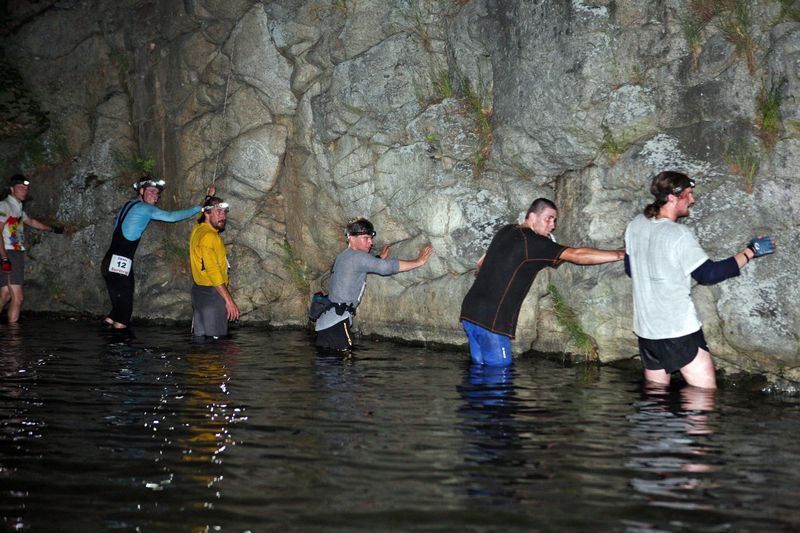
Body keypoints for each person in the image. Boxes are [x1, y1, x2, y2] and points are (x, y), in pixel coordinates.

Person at [624, 171, 775, 390]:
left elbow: (631, 269)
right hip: (677, 331)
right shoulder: (678, 234)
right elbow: (708, 274)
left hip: (647, 330)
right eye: (689, 194)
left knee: (655, 402)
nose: (693, 200)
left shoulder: (635, 225)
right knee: (703, 398)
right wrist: (750, 251)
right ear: (673, 198)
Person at [460, 197, 624, 367]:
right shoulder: (532, 242)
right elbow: (577, 255)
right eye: (548, 219)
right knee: (499, 377)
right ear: (532, 217)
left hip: (470, 313)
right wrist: (620, 254)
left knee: (479, 372)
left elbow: (481, 263)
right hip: (491, 323)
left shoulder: (507, 230)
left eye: (554, 220)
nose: (552, 225)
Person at [101, 176, 214, 329]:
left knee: (116, 311)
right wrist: (199, 208)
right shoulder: (145, 208)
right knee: (124, 312)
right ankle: (120, 349)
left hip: (109, 263)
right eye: (152, 191)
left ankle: (107, 343)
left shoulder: (129, 205)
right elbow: (172, 217)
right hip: (120, 265)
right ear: (141, 191)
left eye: (158, 194)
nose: (156, 196)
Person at [314, 217, 433, 351]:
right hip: (337, 323)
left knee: (329, 365)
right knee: (346, 364)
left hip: (325, 323)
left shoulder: (343, 256)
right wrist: (418, 261)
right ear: (351, 238)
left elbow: (360, 267)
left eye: (371, 238)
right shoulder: (358, 256)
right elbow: (385, 268)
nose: (370, 242)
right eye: (366, 238)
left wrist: (378, 258)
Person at [0, 174, 68, 323]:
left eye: (26, 188)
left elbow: (31, 221)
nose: (24, 190)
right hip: (9, 252)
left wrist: (53, 229)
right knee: (18, 298)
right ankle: (12, 340)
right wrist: (4, 257)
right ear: (12, 189)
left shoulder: (17, 207)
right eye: (20, 187)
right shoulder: (5, 206)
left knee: (5, 294)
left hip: (13, 252)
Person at [189, 196, 239, 339]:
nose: (223, 216)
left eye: (224, 212)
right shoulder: (210, 237)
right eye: (218, 212)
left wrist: (209, 197)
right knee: (217, 344)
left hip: (198, 293)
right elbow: (213, 271)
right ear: (207, 213)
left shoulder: (198, 229)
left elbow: (201, 214)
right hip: (212, 296)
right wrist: (229, 301)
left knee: (201, 342)